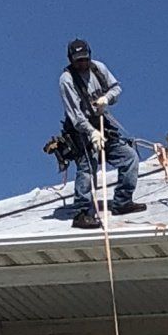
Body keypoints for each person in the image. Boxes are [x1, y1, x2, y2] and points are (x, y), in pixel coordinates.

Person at [59, 37, 144, 227]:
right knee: (88, 167)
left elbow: (116, 87)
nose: (83, 63)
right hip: (80, 130)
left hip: (102, 124)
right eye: (78, 60)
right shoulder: (67, 80)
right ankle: (81, 213)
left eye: (85, 59)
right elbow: (75, 114)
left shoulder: (98, 69)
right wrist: (91, 132)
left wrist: (107, 98)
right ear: (71, 60)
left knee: (129, 157)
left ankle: (122, 201)